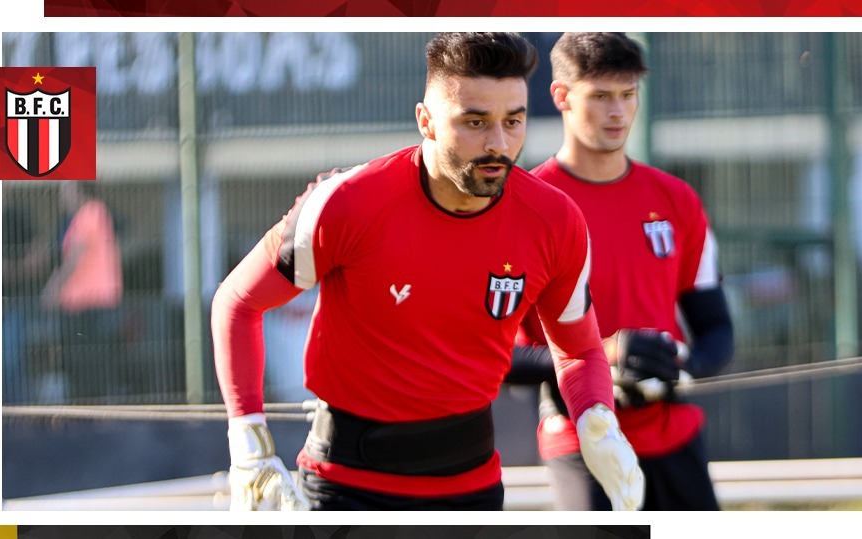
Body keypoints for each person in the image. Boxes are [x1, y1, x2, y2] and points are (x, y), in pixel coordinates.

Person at [211, 32, 644, 511]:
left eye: (513, 121)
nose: (498, 144)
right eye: (475, 122)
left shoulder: (555, 221)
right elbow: (237, 302)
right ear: (426, 121)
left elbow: (579, 350)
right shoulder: (345, 204)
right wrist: (248, 444)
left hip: (472, 487)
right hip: (345, 486)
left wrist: (595, 419)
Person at [506, 33, 734, 510]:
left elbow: (716, 329)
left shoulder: (677, 200)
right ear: (562, 97)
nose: (618, 112)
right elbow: (499, 356)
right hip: (580, 439)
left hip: (675, 436)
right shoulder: (523, 208)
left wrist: (679, 368)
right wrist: (604, 358)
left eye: (628, 95)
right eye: (601, 96)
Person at [40, 181, 124, 401]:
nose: (62, 194)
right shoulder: (80, 218)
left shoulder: (91, 211)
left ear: (78, 190)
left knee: (89, 366)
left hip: (90, 304)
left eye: (66, 189)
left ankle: (92, 418)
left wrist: (53, 287)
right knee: (82, 367)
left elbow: (75, 255)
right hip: (80, 305)